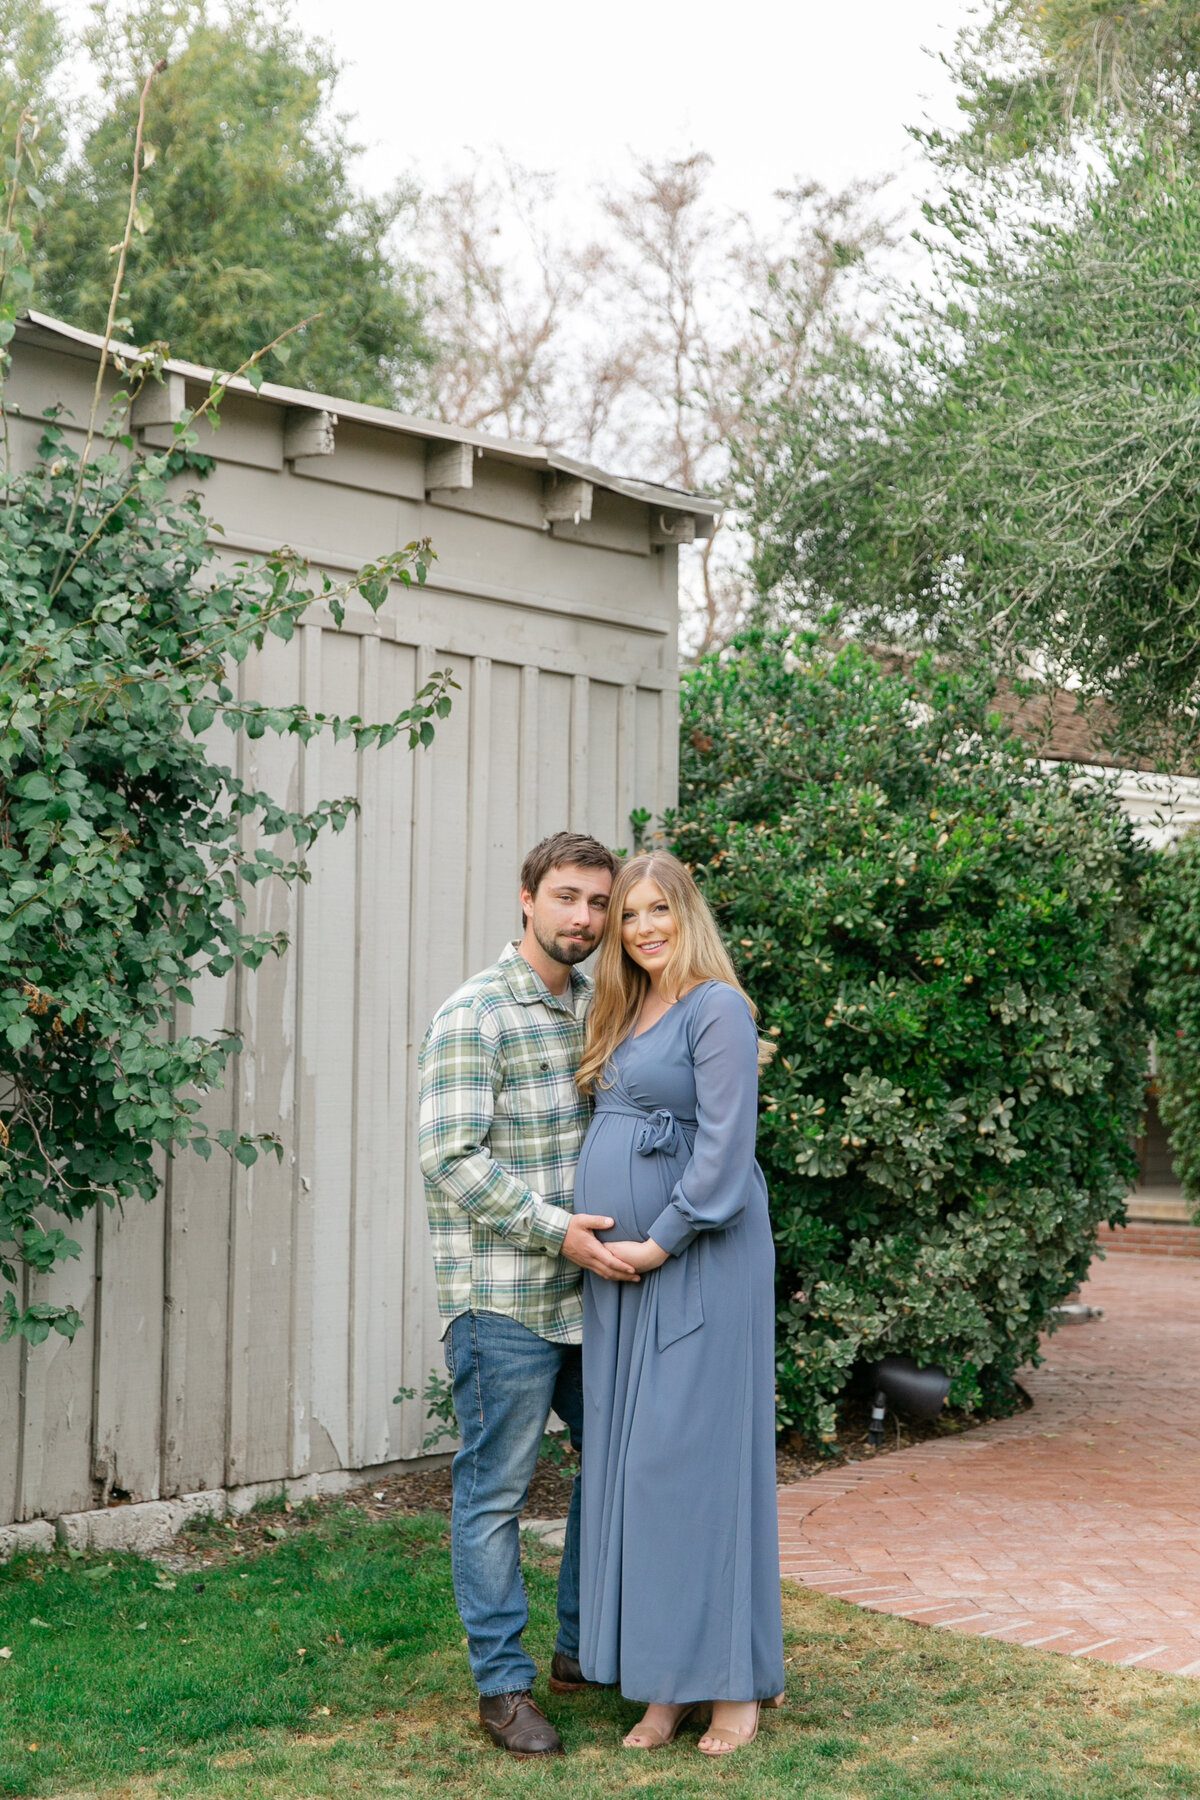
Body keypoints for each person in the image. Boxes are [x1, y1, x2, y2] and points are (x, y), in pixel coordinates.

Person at [417, 831, 639, 1760]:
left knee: (614, 1470)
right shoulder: (476, 1014)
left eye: (599, 903)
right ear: (526, 898)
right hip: (503, 1300)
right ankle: (502, 1689)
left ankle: (580, 1651)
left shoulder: (601, 1005)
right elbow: (448, 1161)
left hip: (593, 1301)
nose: (583, 919)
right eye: (566, 898)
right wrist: (560, 1232)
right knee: (496, 1492)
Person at [574, 849, 786, 1757]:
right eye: (629, 914)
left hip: (695, 1258)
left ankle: (731, 1684)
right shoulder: (622, 1006)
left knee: (692, 1467)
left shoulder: (717, 1007)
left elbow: (726, 1149)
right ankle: (664, 1686)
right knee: (634, 1470)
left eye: (659, 909)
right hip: (620, 1272)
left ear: (687, 914)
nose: (644, 928)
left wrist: (661, 1239)